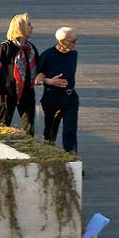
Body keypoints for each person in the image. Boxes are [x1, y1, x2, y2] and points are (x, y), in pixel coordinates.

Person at [0, 13, 40, 135]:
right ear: (20, 27)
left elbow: (39, 68)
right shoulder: (5, 47)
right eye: (29, 25)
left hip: (27, 93)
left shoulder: (31, 48)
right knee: (2, 126)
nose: (32, 27)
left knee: (29, 129)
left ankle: (27, 151)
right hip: (7, 93)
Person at [37, 26, 80, 154]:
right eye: (72, 41)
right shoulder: (47, 55)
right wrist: (50, 81)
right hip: (52, 97)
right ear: (61, 42)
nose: (75, 43)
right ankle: (49, 153)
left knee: (70, 129)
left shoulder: (73, 53)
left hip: (70, 96)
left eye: (76, 40)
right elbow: (37, 78)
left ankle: (71, 156)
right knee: (50, 130)